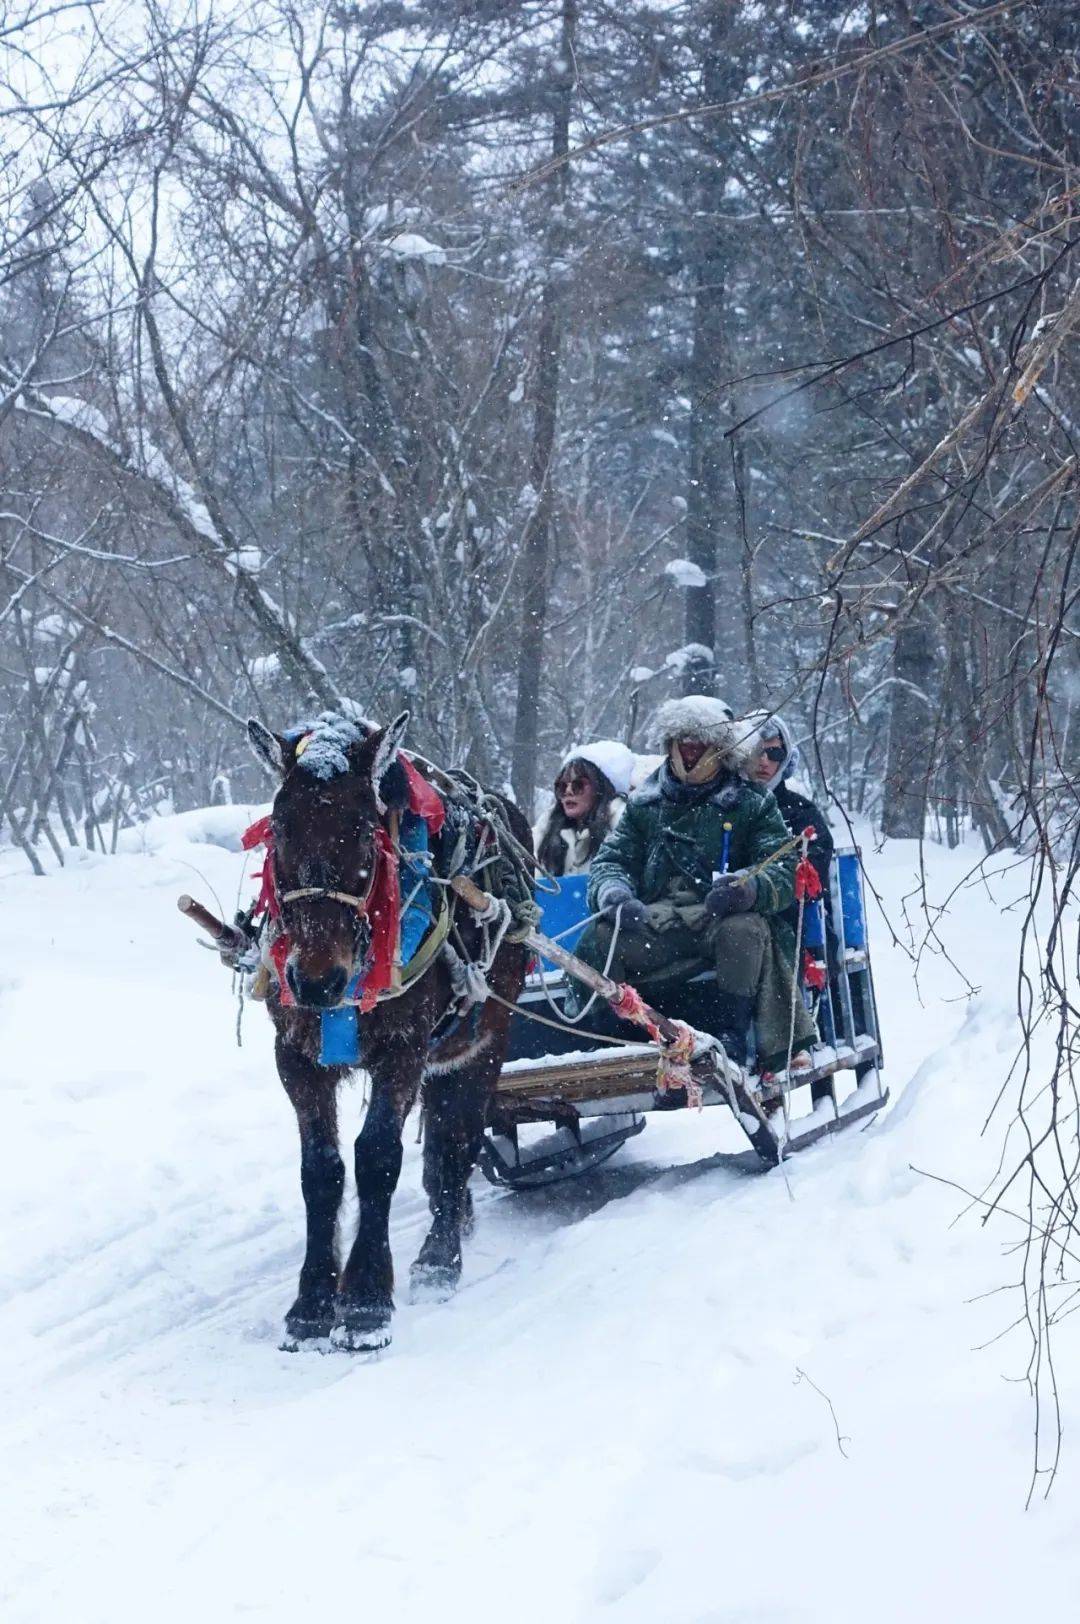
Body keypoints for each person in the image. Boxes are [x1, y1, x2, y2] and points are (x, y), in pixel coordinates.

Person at [567, 696, 815, 1073]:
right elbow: (611, 862)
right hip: (658, 927)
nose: (690, 752)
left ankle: (732, 1037)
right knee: (602, 937)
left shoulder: (753, 804)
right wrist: (614, 894)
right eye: (682, 744)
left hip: (721, 926)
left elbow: (782, 869)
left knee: (745, 930)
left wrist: (747, 889)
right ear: (669, 747)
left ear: (721, 750)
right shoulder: (644, 805)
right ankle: (609, 1041)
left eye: (698, 744)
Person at [533, 740, 635, 877]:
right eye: (562, 787)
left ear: (600, 788)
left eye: (578, 785)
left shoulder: (623, 828)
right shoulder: (545, 830)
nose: (568, 792)